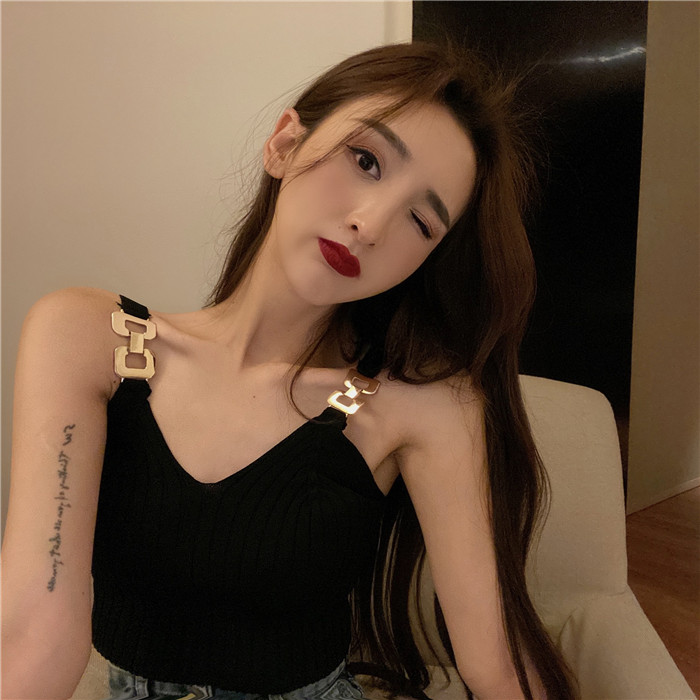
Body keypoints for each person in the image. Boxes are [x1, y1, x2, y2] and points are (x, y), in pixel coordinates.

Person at [1, 41, 579, 700]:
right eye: (366, 160)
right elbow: (36, 634)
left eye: (420, 221)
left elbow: (498, 666)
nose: (370, 224)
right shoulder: (89, 337)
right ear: (284, 144)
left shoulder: (417, 406)